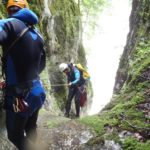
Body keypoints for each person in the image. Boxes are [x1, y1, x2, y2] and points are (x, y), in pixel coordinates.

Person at [0, 0, 46, 149]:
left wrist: (15, 80)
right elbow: (41, 66)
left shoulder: (8, 24)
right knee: (30, 128)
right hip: (37, 91)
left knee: (14, 135)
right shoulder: (37, 35)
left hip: (19, 97)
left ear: (9, 11)